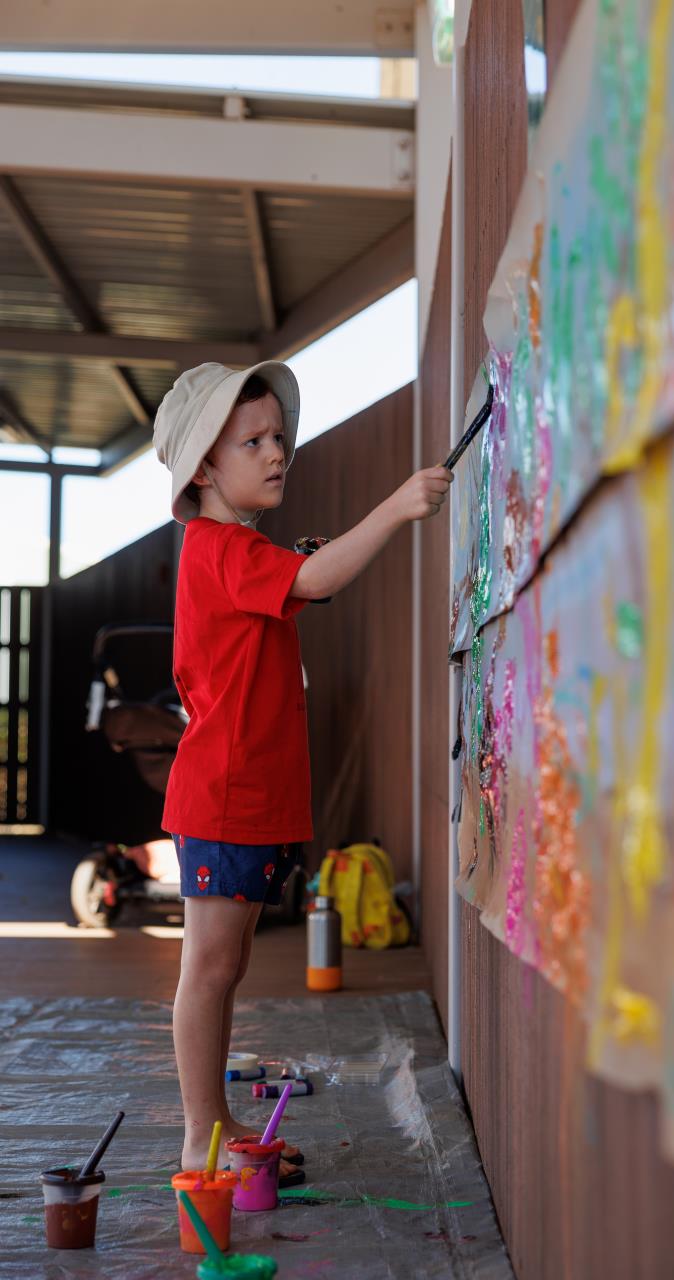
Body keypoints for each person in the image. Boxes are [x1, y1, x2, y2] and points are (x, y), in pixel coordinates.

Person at [153, 360, 451, 1173]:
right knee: (209, 973)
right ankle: (200, 1136)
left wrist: (306, 566)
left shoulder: (240, 550)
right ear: (205, 468)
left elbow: (297, 582)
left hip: (246, 797)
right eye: (251, 441)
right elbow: (313, 577)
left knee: (229, 965)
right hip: (224, 798)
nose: (276, 450)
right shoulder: (217, 547)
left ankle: (214, 1129)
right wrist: (396, 506)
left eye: (278, 435)